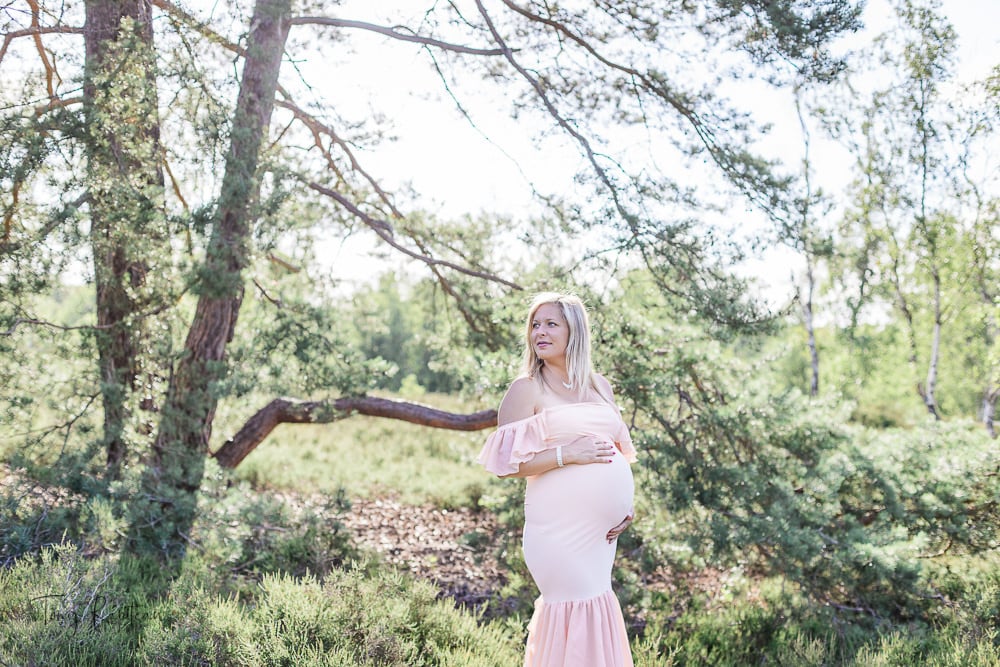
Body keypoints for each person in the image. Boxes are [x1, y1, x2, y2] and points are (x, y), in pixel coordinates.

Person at [478, 292, 636, 667]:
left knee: (597, 600)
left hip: (600, 537)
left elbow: (613, 451)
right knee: (575, 608)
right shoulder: (527, 388)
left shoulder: (600, 386)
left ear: (575, 331)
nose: (540, 332)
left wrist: (624, 506)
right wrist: (568, 454)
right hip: (557, 533)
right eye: (535, 324)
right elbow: (506, 464)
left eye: (551, 324)